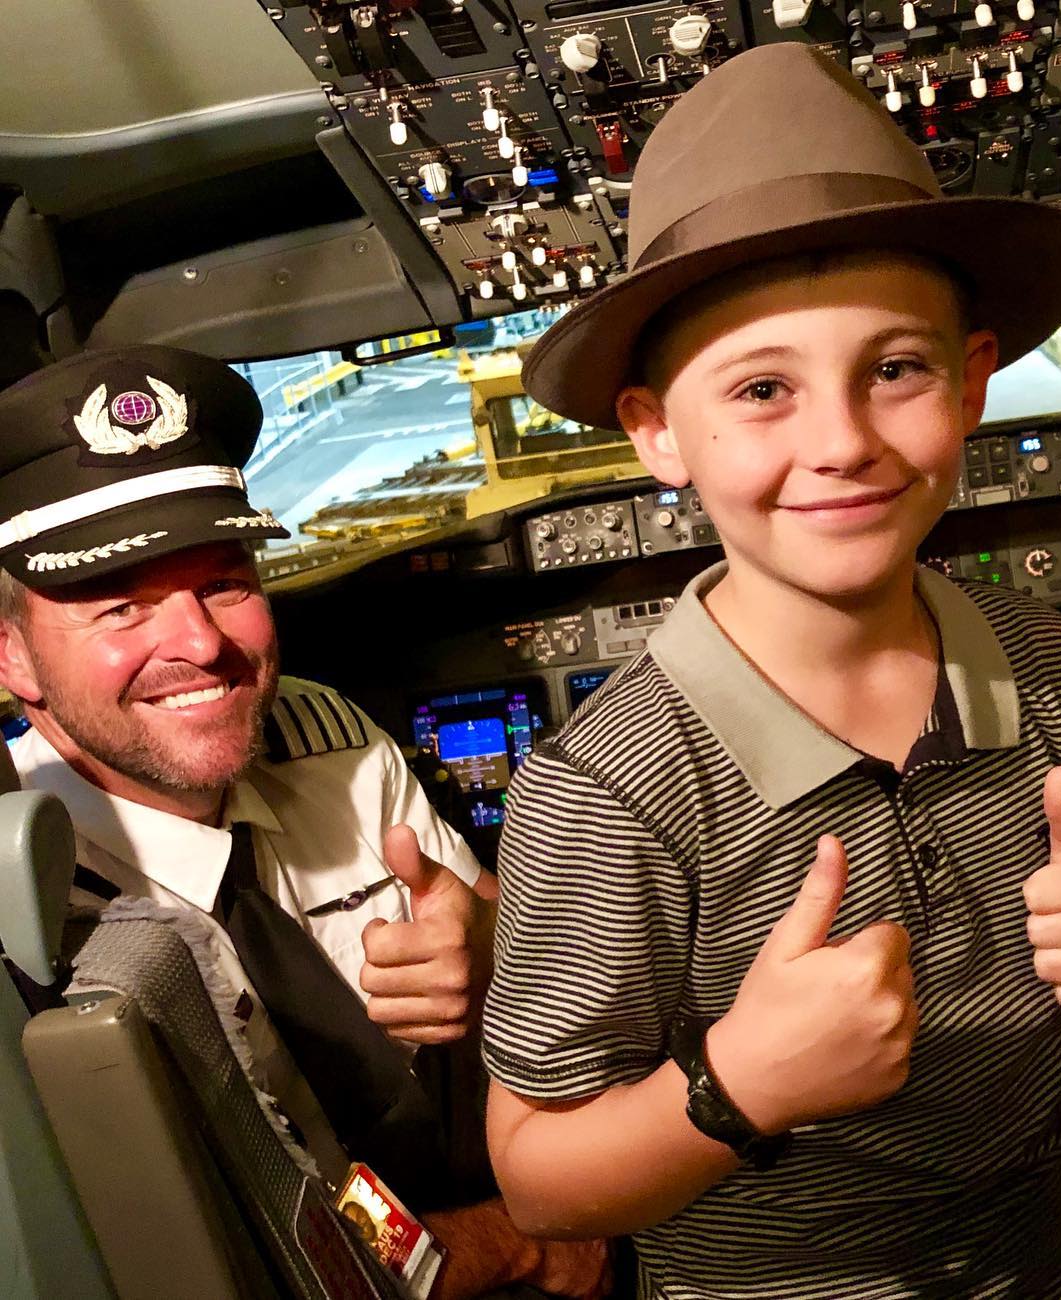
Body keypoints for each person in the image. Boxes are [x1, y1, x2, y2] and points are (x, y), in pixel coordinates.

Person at [481, 44, 1061, 1298]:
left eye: (896, 369)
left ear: (973, 380)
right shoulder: (602, 791)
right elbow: (539, 1175)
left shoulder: (1040, 657)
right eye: (763, 389)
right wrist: (738, 1086)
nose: (844, 443)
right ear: (657, 432)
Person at [0, 346, 608, 1300]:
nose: (199, 644)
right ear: (13, 657)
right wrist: (522, 1244)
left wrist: (489, 942)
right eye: (121, 606)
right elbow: (249, 1251)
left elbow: (505, 937)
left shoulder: (330, 742)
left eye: (225, 582)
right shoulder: (29, 926)